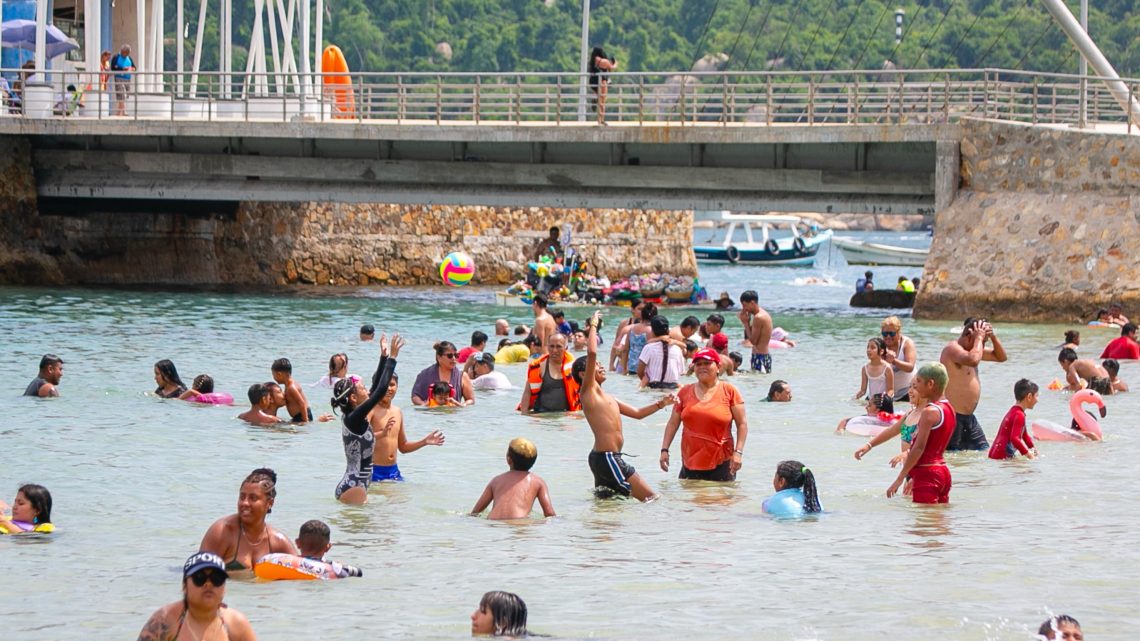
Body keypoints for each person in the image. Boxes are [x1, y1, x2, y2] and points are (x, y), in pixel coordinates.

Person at [574, 311, 674, 501]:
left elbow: (637, 413)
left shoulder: (608, 397)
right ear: (583, 373)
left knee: (608, 508)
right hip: (608, 458)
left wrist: (661, 403)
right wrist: (594, 325)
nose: (602, 367)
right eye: (596, 365)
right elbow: (592, 352)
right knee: (651, 498)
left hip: (605, 458)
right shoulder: (588, 392)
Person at [330, 335, 402, 502]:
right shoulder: (354, 418)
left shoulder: (354, 417)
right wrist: (392, 358)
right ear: (354, 398)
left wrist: (383, 357)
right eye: (362, 388)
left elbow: (376, 387)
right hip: (354, 487)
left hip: (355, 486)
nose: (367, 390)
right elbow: (379, 391)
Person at [660, 348, 749, 482]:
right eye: (698, 364)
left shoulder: (729, 391)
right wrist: (664, 450)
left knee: (720, 501)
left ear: (718, 367)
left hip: (722, 461)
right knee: (688, 500)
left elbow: (742, 424)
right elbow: (673, 423)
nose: (702, 367)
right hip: (690, 460)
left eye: (707, 363)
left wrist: (738, 452)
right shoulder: (685, 392)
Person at [135, 552, 257, 641]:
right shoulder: (165, 620)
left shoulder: (236, 624)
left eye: (217, 579)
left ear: (224, 587)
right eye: (199, 578)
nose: (208, 584)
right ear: (184, 585)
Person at [880, 363, 956, 503]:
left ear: (930, 384)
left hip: (927, 474)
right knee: (938, 521)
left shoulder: (929, 412)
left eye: (918, 382)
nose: (915, 386)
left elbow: (919, 448)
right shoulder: (949, 408)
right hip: (943, 473)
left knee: (923, 524)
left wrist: (900, 479)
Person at [199, 468, 298, 572]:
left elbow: (303, 574)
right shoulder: (223, 531)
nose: (244, 503)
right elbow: (199, 575)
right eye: (242, 497)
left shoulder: (278, 542)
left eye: (253, 498)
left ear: (270, 503)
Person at [940, 318, 1006, 451]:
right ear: (970, 336)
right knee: (953, 455)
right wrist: (979, 338)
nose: (982, 345)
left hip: (969, 418)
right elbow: (973, 360)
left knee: (983, 451)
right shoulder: (952, 349)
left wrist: (992, 337)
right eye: (982, 341)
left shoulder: (974, 349)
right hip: (953, 417)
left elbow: (1001, 357)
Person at [368, 369, 445, 482]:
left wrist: (424, 442)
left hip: (394, 471)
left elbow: (403, 447)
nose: (389, 389)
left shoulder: (397, 411)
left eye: (392, 385)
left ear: (397, 387)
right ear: (376, 387)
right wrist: (382, 433)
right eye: (384, 385)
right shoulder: (371, 410)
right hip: (374, 471)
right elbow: (360, 438)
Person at [470, 437, 556, 520]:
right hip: (518, 521)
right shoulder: (538, 482)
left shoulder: (496, 480)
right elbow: (549, 514)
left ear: (509, 459)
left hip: (493, 521)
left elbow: (475, 512)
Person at [519, 332, 579, 413]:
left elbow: (584, 391)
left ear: (566, 348)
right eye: (551, 346)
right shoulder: (539, 366)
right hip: (542, 415)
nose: (554, 350)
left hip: (567, 415)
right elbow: (527, 392)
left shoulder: (574, 366)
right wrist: (524, 414)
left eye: (558, 347)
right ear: (547, 347)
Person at [988, 379, 1038, 460]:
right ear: (1029, 397)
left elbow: (1025, 436)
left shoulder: (1014, 411)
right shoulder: (1020, 415)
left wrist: (1035, 451)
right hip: (1002, 456)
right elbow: (1015, 439)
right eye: (1036, 396)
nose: (1037, 400)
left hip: (996, 453)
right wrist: (1029, 455)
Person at [411, 341, 474, 406]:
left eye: (456, 355)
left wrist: (462, 405)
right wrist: (423, 405)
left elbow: (470, 400)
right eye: (450, 356)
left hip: (453, 415)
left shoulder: (462, 376)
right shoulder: (424, 374)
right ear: (439, 357)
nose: (454, 358)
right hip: (430, 414)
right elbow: (415, 396)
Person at [293, 520, 362, 578]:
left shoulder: (288, 561)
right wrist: (339, 566)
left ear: (297, 543)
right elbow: (359, 573)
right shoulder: (335, 568)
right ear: (328, 547)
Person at [637, 315, 684, 390]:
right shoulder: (677, 349)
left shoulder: (649, 347)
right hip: (672, 388)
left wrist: (646, 380)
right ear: (668, 331)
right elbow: (681, 372)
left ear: (652, 331)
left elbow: (639, 371)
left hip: (653, 387)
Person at [880, 316, 917, 402]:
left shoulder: (907, 343)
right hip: (888, 392)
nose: (888, 337)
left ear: (898, 332)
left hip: (907, 390)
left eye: (892, 333)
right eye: (885, 334)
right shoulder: (880, 345)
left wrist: (894, 361)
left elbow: (910, 367)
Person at [739, 290, 774, 373]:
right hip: (763, 355)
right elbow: (750, 336)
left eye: (745, 305)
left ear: (752, 303)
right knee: (758, 382)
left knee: (757, 382)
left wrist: (745, 323)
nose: (744, 309)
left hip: (760, 356)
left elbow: (753, 341)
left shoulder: (759, 317)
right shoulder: (762, 314)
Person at [271, 358, 313, 423]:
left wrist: (305, 420)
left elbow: (302, 403)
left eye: (274, 375)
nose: (274, 378)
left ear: (279, 374)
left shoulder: (291, 387)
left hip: (302, 416)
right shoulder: (288, 386)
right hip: (299, 416)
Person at [622, 302, 656, 375]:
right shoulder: (651, 330)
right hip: (645, 370)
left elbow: (625, 349)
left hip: (631, 367)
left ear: (642, 315)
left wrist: (624, 368)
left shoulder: (632, 328)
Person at [587, 46, 617, 124]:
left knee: (600, 99)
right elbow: (612, 67)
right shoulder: (603, 61)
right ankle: (601, 120)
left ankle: (596, 99)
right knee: (603, 101)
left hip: (593, 82)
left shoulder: (592, 61)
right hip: (602, 82)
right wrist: (615, 63)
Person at [110, 44, 135, 116]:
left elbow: (134, 67)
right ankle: (124, 111)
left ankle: (119, 112)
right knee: (121, 94)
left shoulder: (129, 58)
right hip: (119, 78)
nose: (126, 54)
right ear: (122, 51)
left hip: (127, 78)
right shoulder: (116, 57)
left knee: (125, 95)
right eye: (125, 53)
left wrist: (131, 69)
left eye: (127, 53)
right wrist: (122, 69)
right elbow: (113, 68)